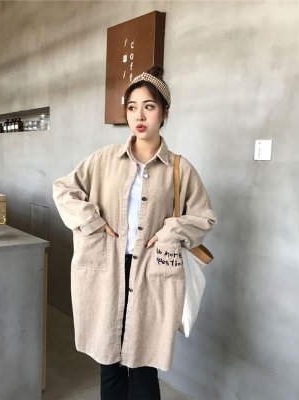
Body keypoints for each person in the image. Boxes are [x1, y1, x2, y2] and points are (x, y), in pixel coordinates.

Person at [53, 66, 217, 400]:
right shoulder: (104, 159)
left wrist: (172, 231)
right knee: (109, 363)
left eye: (149, 106)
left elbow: (204, 218)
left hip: (153, 273)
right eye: (132, 107)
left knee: (144, 365)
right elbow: (63, 189)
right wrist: (92, 221)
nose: (139, 115)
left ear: (164, 113)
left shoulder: (180, 169)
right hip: (106, 268)